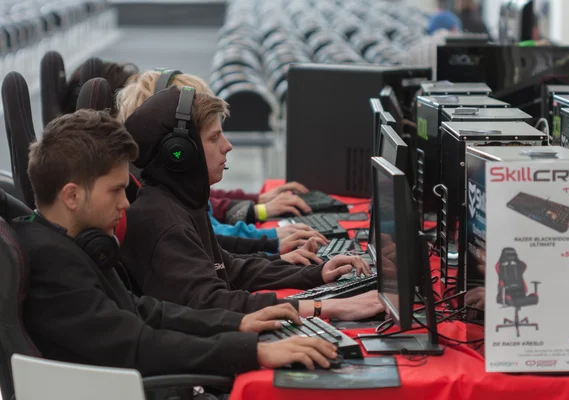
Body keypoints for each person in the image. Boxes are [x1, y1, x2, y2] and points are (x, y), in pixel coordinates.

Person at [12, 109, 340, 375]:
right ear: (72, 195)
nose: (126, 204)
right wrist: (252, 350)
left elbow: (142, 311)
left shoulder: (77, 244)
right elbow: (138, 345)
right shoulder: (52, 263)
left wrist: (238, 322)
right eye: (115, 190)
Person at [120, 86, 384, 320]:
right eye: (214, 138)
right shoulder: (165, 222)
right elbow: (213, 302)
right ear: (180, 154)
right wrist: (326, 308)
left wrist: (315, 273)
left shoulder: (181, 202)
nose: (228, 146)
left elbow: (229, 268)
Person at [117, 70, 318, 225]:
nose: (227, 145)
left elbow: (211, 201)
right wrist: (262, 212)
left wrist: (258, 199)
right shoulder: (154, 200)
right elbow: (217, 236)